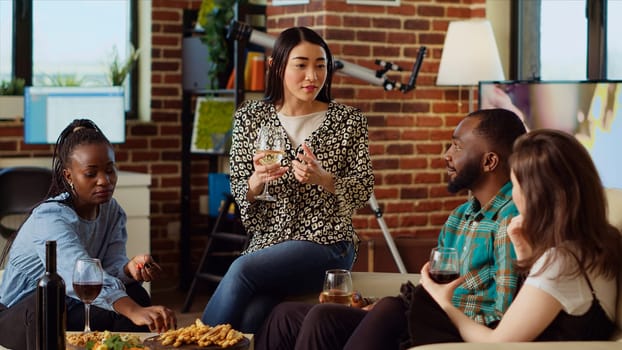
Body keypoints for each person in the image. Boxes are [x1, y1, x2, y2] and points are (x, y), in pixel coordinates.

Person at [254, 108, 527, 350]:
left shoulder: (510, 221)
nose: (446, 155)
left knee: (331, 316)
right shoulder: (459, 217)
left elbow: (502, 315)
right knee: (284, 316)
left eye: (456, 147)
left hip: (450, 328)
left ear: (489, 162)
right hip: (424, 314)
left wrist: (424, 308)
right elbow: (432, 286)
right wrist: (381, 303)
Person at [200, 26, 374, 333]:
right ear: (276, 66)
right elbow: (239, 185)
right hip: (268, 243)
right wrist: (255, 182)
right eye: (301, 65)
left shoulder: (348, 121)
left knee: (241, 269)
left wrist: (325, 179)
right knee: (253, 314)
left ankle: (190, 342)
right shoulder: (249, 117)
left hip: (328, 241)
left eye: (321, 65)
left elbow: (362, 189)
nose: (312, 76)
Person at [420, 128, 621, 342]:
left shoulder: (562, 261)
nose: (513, 195)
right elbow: (548, 301)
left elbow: (497, 343)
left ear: (536, 196)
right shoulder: (602, 241)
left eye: (514, 185)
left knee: (415, 308)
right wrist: (524, 252)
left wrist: (444, 304)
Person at [0, 119, 176, 350]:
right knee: (48, 301)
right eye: (91, 173)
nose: (104, 180)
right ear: (69, 176)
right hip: (20, 315)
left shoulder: (112, 211)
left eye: (110, 170)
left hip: (70, 304)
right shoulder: (50, 216)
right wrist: (134, 312)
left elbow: (107, 270)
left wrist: (128, 269)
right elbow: (78, 275)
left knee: (136, 293)